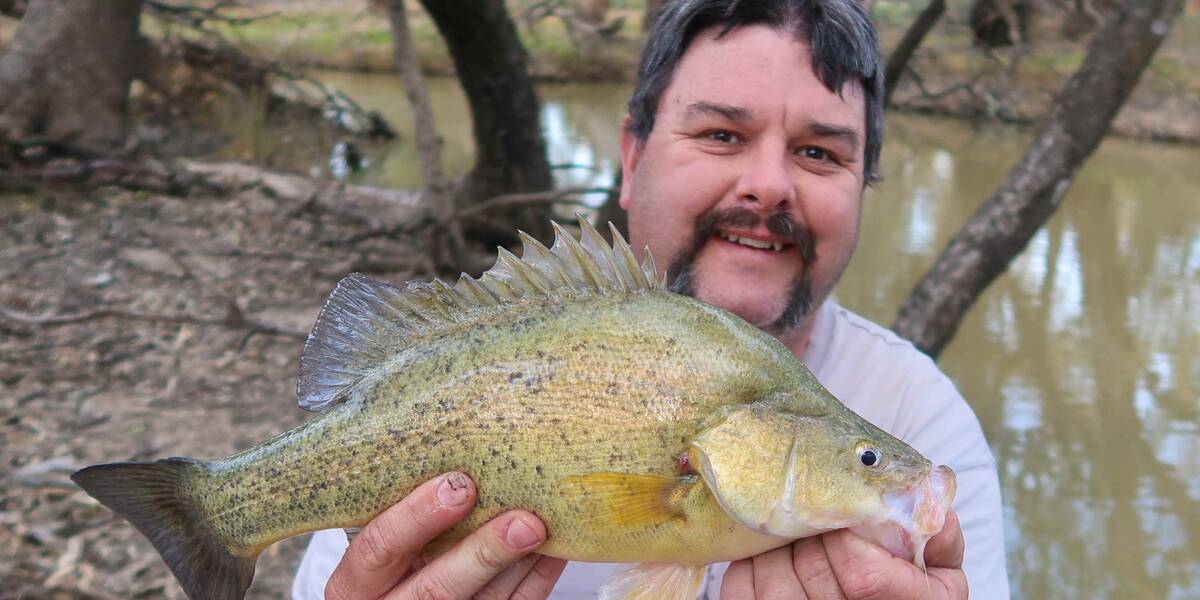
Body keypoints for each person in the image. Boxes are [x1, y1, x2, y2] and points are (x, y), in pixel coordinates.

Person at [294, 0, 1009, 598]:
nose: (769, 185)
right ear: (632, 160)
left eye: (820, 152)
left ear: (863, 190)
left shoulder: (924, 414)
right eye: (722, 133)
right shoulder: (418, 397)